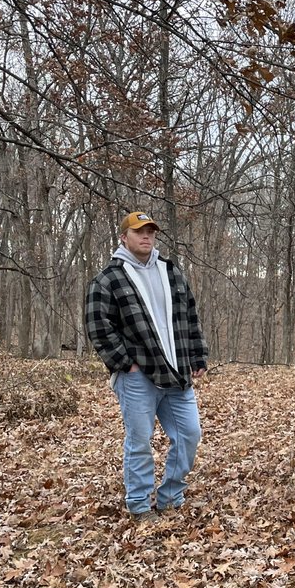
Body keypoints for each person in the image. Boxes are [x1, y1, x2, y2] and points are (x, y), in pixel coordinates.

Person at [85, 211, 208, 522]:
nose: (146, 237)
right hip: (138, 377)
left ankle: (170, 496)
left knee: (190, 434)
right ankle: (139, 506)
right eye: (139, 231)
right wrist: (125, 364)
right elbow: (98, 326)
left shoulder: (171, 271)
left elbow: (189, 318)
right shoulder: (109, 279)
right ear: (123, 237)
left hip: (176, 373)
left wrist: (197, 357)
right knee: (140, 442)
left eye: (151, 232)